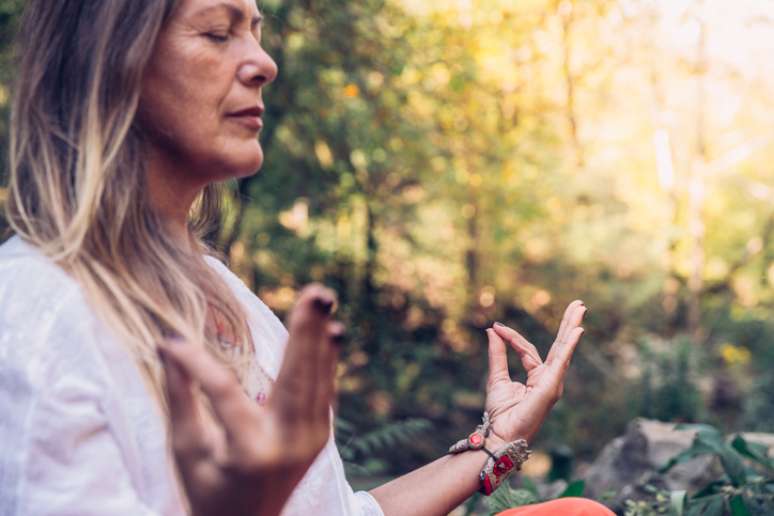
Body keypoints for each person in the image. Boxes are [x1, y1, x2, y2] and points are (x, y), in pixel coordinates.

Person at [0, 1, 614, 515]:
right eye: (218, 33)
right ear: (108, 61)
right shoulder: (35, 322)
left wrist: (498, 445)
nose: (264, 64)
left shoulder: (217, 286)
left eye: (256, 33)